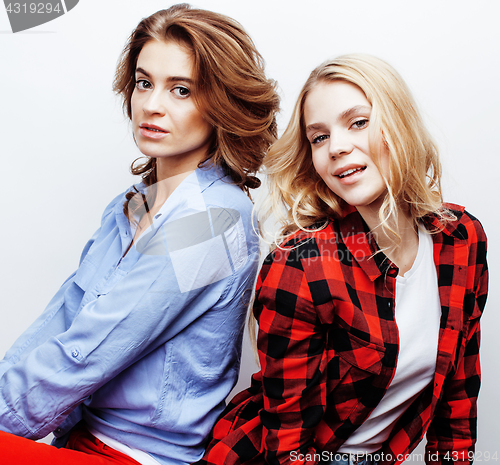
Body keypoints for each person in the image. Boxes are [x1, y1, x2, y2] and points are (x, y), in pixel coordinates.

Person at [0, 4, 279, 465]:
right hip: (81, 438)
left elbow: (88, 352)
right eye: (144, 83)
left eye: (182, 90)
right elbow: (60, 323)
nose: (151, 104)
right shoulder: (131, 205)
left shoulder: (216, 223)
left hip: (138, 456)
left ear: (221, 104)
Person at [195, 54, 488, 465]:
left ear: (399, 123)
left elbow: (457, 395)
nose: (336, 147)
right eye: (318, 137)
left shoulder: (461, 239)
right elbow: (290, 450)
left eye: (358, 122)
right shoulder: (302, 264)